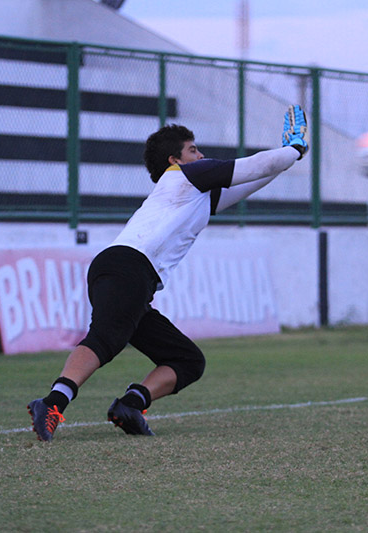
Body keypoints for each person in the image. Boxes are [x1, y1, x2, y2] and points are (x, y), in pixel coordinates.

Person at [27, 104, 309, 441]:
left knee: (186, 359)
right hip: (128, 266)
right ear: (174, 161)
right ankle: (53, 403)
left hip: (131, 275)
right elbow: (253, 166)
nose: (201, 154)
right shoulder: (183, 177)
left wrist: (290, 156)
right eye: (193, 149)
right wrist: (292, 148)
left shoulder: (193, 191)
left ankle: (131, 405)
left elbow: (254, 177)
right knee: (105, 339)